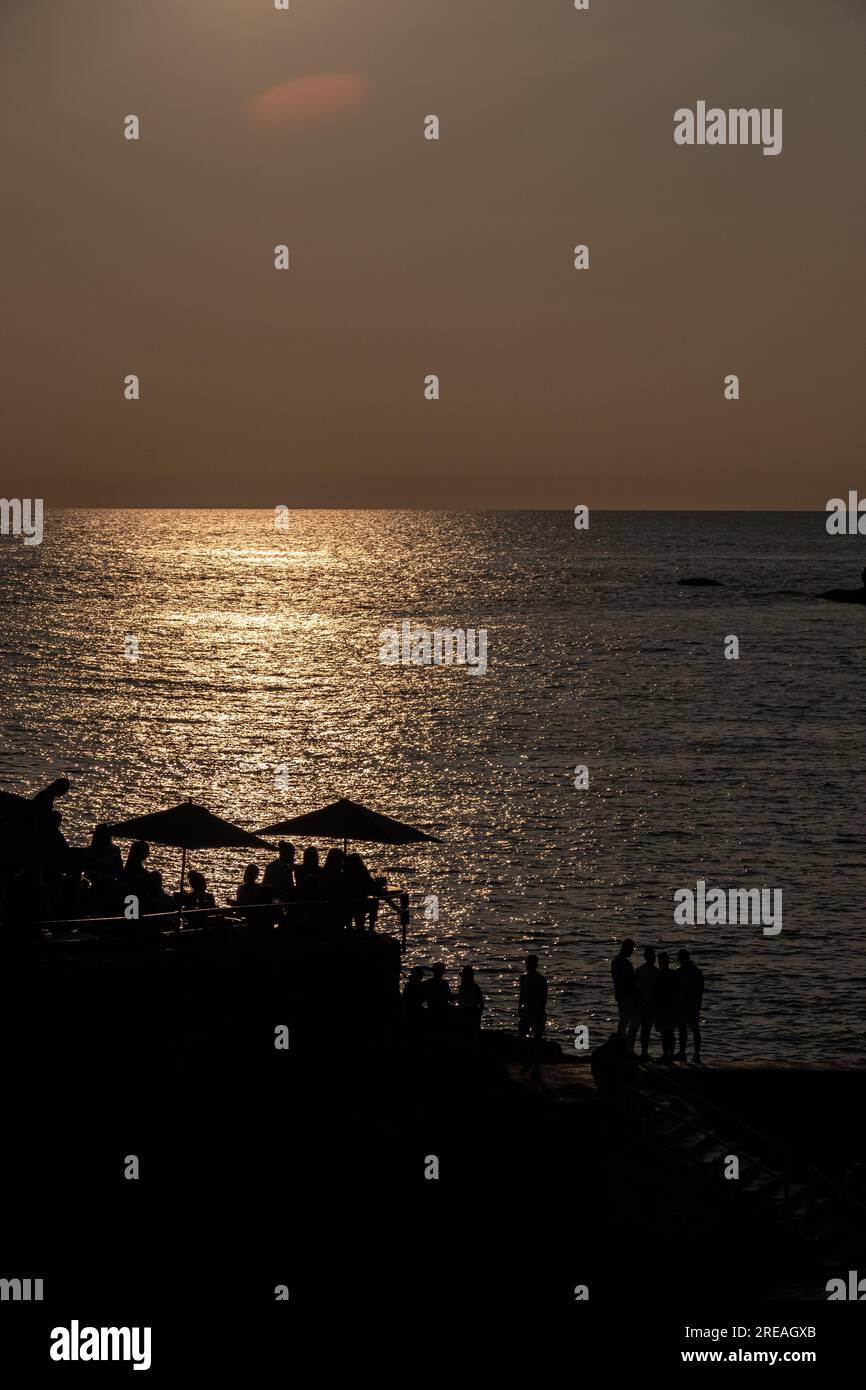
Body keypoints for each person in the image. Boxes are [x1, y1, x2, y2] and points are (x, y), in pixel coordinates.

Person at [518, 954, 548, 1078]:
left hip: (537, 1012)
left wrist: (541, 1011)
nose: (527, 965)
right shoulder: (523, 978)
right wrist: (519, 1007)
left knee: (537, 1040)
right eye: (527, 963)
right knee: (522, 1036)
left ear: (535, 965)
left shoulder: (541, 979)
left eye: (529, 963)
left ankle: (535, 1066)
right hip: (526, 1012)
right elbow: (522, 994)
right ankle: (529, 1061)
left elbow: (544, 997)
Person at [676, 948, 704, 1063]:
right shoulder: (680, 971)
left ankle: (696, 1054)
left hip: (691, 1005)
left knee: (694, 1029)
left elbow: (699, 990)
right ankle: (683, 1053)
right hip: (683, 1005)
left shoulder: (695, 972)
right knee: (682, 1029)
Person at [611, 938, 639, 1049]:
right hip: (627, 996)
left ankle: (621, 1045)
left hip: (620, 995)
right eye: (632, 949)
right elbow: (630, 982)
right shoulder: (625, 963)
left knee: (623, 1022)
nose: (632, 951)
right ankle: (626, 1046)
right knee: (630, 1022)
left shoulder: (615, 961)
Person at [652, 953, 679, 1066]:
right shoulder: (672, 974)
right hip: (668, 1006)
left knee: (666, 1032)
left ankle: (667, 1055)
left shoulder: (660, 975)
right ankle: (668, 1055)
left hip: (665, 1007)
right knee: (667, 1032)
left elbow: (656, 992)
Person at [633, 945, 658, 1062]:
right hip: (644, 1004)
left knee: (646, 1030)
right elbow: (635, 989)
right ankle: (643, 1052)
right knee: (643, 1029)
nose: (653, 958)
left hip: (650, 1004)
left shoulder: (654, 971)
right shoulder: (641, 971)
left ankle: (644, 1052)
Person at [422, 962, 452, 1028]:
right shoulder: (444, 983)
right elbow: (450, 998)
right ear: (443, 971)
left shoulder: (426, 983)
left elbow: (422, 998)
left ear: (433, 971)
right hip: (443, 1011)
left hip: (431, 1009)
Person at [456, 965, 484, 1034]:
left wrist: (477, 1015)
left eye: (463, 977)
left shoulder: (475, 988)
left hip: (471, 1012)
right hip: (464, 1012)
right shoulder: (462, 987)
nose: (462, 979)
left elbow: (481, 1003)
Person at [402, 966, 427, 1033]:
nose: (422, 977)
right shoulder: (417, 985)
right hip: (414, 1010)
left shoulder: (409, 985)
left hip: (409, 1010)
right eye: (420, 975)